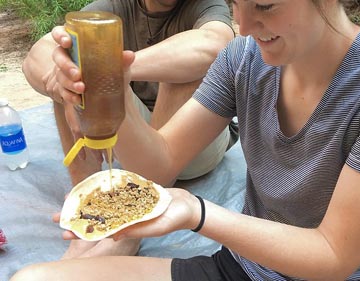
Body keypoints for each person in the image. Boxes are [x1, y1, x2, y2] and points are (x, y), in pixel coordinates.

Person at [12, 0, 360, 280]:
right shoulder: (243, 58)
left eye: (264, 6)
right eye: (234, 3)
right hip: (243, 268)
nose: (243, 26)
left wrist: (197, 212)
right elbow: (158, 164)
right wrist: (106, 79)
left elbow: (333, 257)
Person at [22, 0, 237, 258]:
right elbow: (37, 55)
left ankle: (131, 225)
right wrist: (63, 80)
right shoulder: (112, 8)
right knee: (69, 81)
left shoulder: (204, 6)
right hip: (135, 132)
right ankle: (92, 210)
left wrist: (108, 70)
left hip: (195, 136)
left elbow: (216, 45)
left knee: (182, 70)